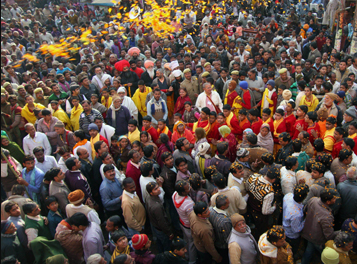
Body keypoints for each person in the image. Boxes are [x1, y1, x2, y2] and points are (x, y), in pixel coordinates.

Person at [301, 189, 339, 264]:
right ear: (328, 202)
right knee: (325, 256)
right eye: (334, 198)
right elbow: (329, 235)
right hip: (318, 240)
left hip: (308, 233)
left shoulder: (313, 200)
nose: (335, 200)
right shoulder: (326, 216)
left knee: (308, 251)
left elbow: (305, 210)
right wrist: (339, 232)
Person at [246, 168, 278, 240]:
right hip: (259, 215)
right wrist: (274, 207)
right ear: (273, 180)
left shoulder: (254, 176)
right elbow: (265, 211)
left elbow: (247, 187)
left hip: (249, 206)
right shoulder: (269, 192)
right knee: (260, 231)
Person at [282, 184, 309, 259]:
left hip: (285, 226)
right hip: (291, 236)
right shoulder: (296, 214)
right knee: (292, 249)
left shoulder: (288, 196)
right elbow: (296, 229)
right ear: (304, 197)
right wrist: (305, 219)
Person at [172, 180, 196, 263]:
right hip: (189, 225)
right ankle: (192, 261)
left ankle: (186, 255)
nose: (190, 188)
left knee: (186, 241)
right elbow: (193, 218)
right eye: (188, 188)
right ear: (183, 192)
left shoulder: (174, 195)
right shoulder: (188, 204)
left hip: (182, 222)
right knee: (192, 244)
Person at [208, 194, 232, 263]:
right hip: (222, 246)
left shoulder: (210, 210)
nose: (229, 203)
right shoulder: (224, 221)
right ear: (223, 207)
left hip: (215, 242)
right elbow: (227, 237)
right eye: (228, 203)